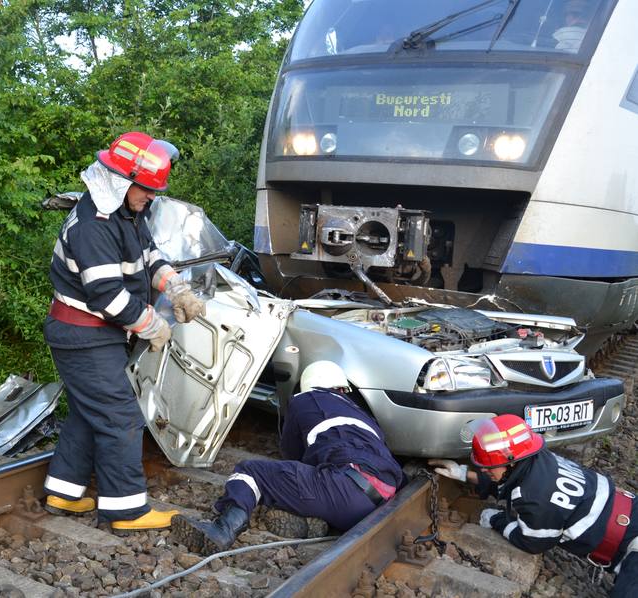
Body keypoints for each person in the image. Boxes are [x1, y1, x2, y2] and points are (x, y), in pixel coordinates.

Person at [42, 131, 206, 531]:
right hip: (84, 336)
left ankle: (63, 490)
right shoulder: (93, 226)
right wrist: (153, 326)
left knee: (88, 413)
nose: (150, 197)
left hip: (90, 336)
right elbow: (107, 297)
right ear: (121, 181)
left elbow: (148, 255)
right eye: (146, 190)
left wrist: (176, 287)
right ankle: (126, 510)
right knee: (120, 418)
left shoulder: (124, 212)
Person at [171, 360, 405, 554]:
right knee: (315, 480)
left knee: (251, 472)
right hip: (381, 500)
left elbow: (292, 454)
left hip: (344, 494)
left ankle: (223, 529)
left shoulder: (305, 399)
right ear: (342, 388)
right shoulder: (363, 416)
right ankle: (313, 523)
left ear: (309, 385)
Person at [430, 414, 637, 598]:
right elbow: (510, 482)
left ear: (512, 462)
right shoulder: (542, 459)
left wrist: (496, 520)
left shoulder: (536, 501)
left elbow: (533, 542)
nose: (484, 470)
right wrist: (464, 473)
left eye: (489, 467)